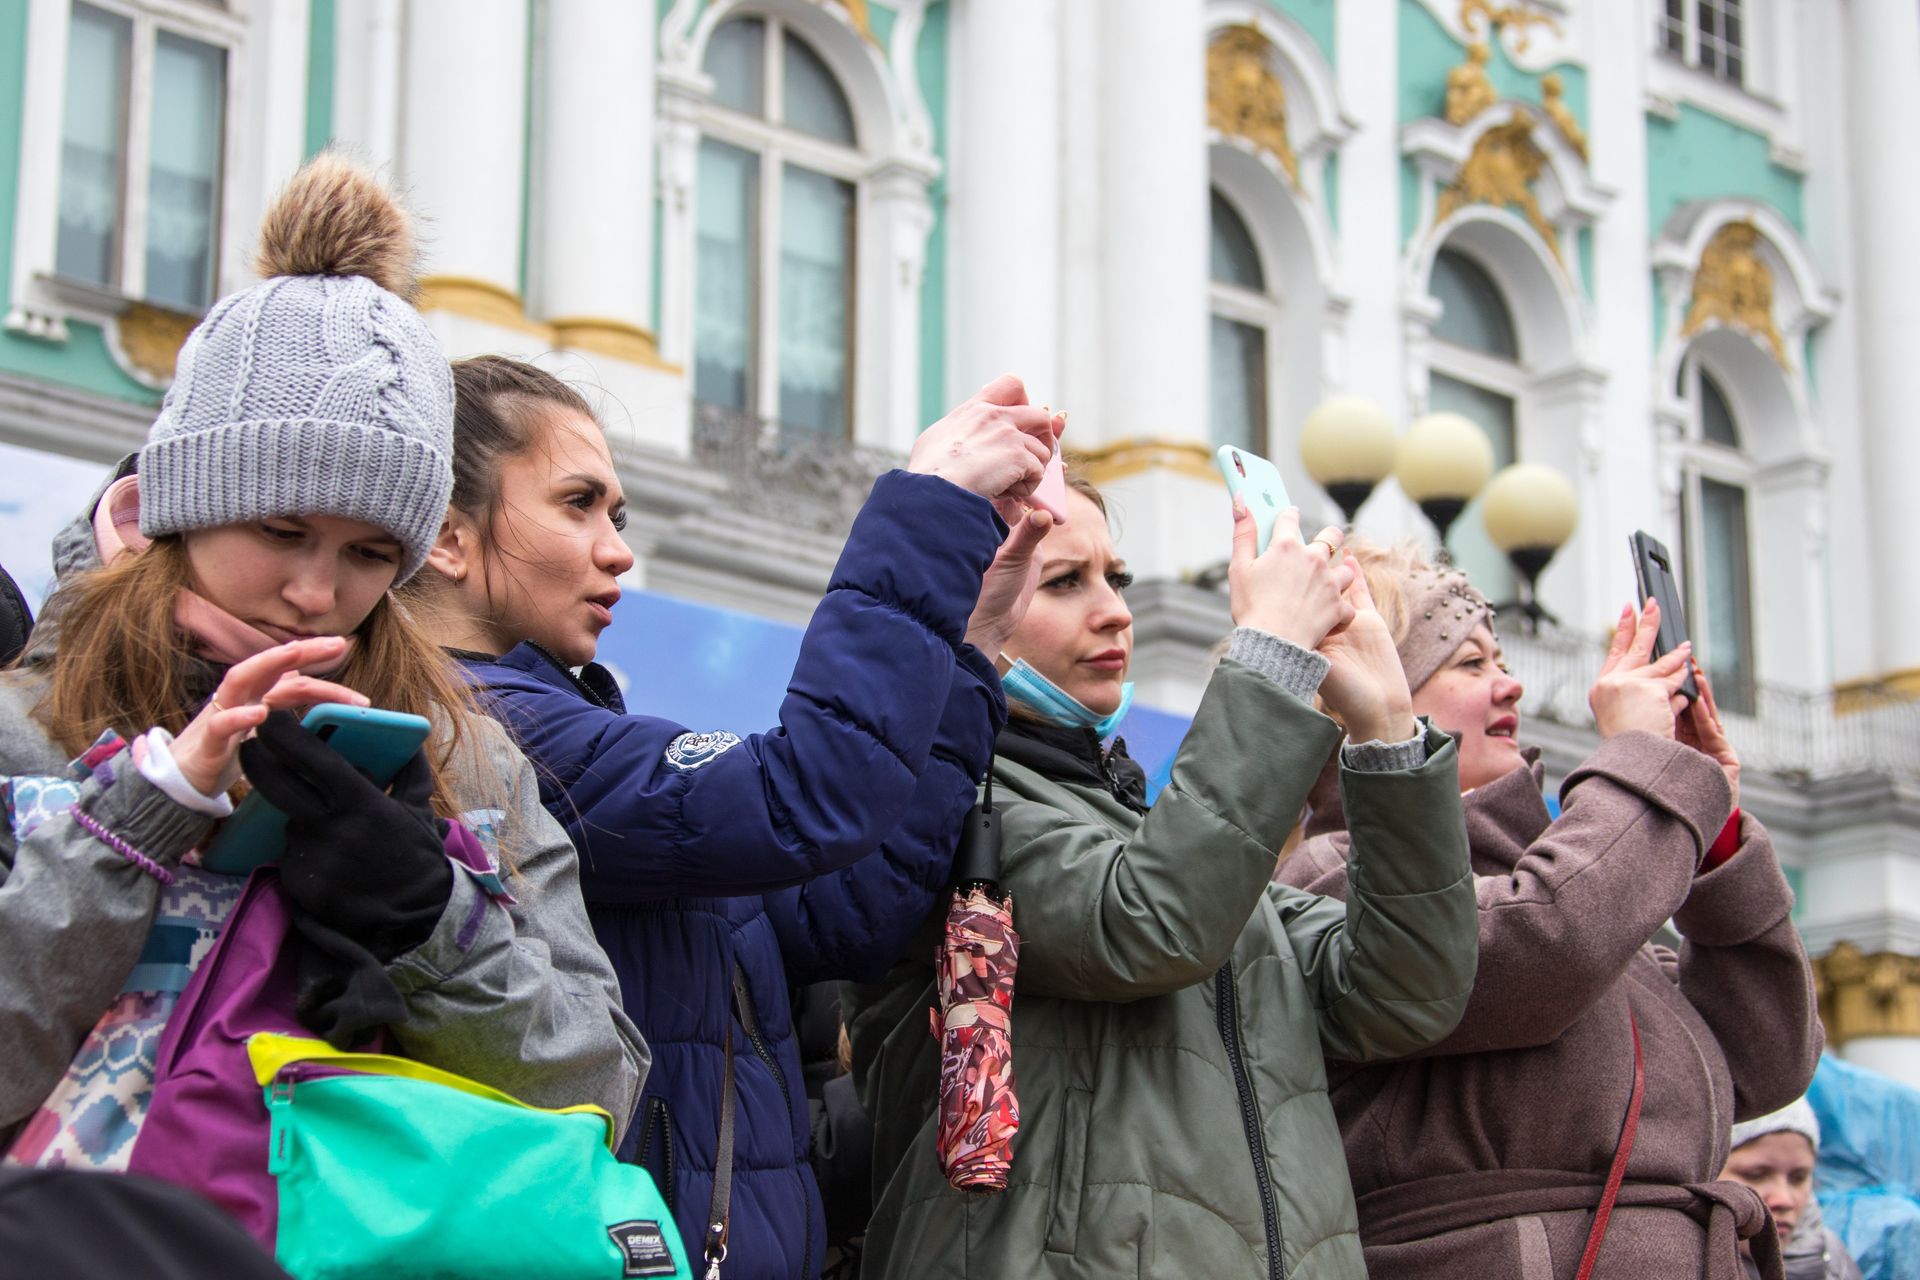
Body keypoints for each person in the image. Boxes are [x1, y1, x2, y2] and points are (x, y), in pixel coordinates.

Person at [0, 155, 645, 1168]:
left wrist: (431, 920)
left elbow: (598, 1088)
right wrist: (140, 819)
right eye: (280, 526)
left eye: (369, 552)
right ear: (181, 506)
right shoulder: (24, 723)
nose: (316, 591)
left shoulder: (466, 758)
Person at [410, 354, 1056, 1279]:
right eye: (577, 503)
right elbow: (810, 793)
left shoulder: (575, 726)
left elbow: (843, 909)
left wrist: (970, 647)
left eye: (618, 514)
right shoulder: (481, 734)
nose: (617, 546)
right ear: (445, 537)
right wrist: (925, 508)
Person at [842, 476, 1480, 1279]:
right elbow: (1147, 925)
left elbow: (1404, 995)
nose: (1115, 611)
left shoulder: (1175, 833)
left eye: (1118, 578)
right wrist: (1272, 661)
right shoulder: (936, 807)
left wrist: (1386, 731)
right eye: (1065, 581)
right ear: (970, 605)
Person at [1276, 541, 1823, 1279]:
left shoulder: (1571, 882)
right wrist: (1639, 764)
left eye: (1500, 661)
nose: (1511, 689)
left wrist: (1715, 831)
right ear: (1365, 697)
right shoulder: (1332, 872)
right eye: (1471, 665)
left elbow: (1767, 1059)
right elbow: (1545, 947)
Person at [1721, 1099, 1863, 1280]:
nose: (1784, 1200)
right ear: (1706, 1173)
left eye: (1798, 1178)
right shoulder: (1680, 1261)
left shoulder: (1833, 1262)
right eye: (1756, 1175)